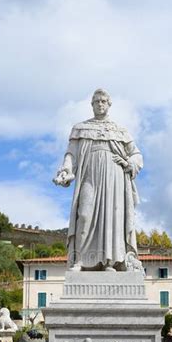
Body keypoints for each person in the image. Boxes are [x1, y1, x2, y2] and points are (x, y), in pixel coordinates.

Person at [53, 89, 143, 271]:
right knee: (84, 215)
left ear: (109, 105)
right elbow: (71, 153)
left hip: (114, 178)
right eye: (96, 102)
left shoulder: (120, 131)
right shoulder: (81, 128)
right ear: (92, 105)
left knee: (113, 218)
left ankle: (110, 261)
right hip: (89, 175)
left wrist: (129, 163)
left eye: (103, 101)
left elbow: (136, 155)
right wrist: (66, 170)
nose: (100, 104)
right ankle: (80, 261)